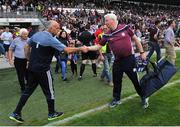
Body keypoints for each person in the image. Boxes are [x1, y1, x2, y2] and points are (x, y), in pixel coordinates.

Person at [9, 20, 87, 124]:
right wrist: (81, 48)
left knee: (27, 91)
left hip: (32, 68)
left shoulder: (36, 35)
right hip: (43, 70)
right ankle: (51, 113)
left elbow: (26, 46)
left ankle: (16, 113)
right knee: (50, 91)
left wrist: (28, 60)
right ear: (51, 28)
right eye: (57, 28)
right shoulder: (50, 39)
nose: (58, 30)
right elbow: (67, 50)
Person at [84, 13, 149, 108]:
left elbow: (136, 39)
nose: (105, 23)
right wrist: (88, 48)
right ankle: (116, 99)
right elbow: (98, 46)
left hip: (129, 59)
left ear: (112, 20)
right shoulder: (107, 34)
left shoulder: (125, 28)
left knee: (135, 80)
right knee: (116, 81)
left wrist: (142, 52)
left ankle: (143, 97)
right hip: (118, 61)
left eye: (106, 20)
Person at [8, 28, 29, 93]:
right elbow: (10, 49)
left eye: (26, 34)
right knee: (20, 75)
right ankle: (23, 88)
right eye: (24, 34)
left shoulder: (30, 40)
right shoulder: (15, 40)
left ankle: (28, 86)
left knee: (28, 74)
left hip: (27, 60)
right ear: (20, 34)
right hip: (18, 61)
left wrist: (30, 60)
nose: (26, 36)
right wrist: (10, 59)